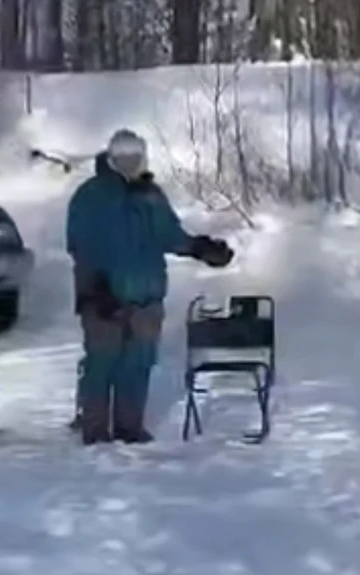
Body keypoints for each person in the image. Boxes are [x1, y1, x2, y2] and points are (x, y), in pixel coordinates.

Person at [66, 128, 234, 445]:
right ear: (111, 159)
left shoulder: (151, 195)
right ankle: (95, 431)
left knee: (139, 363)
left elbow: (170, 235)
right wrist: (94, 288)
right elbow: (80, 245)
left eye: (135, 158)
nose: (129, 165)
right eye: (123, 159)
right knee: (102, 364)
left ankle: (130, 428)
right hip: (102, 298)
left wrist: (200, 248)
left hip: (146, 297)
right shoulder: (91, 196)